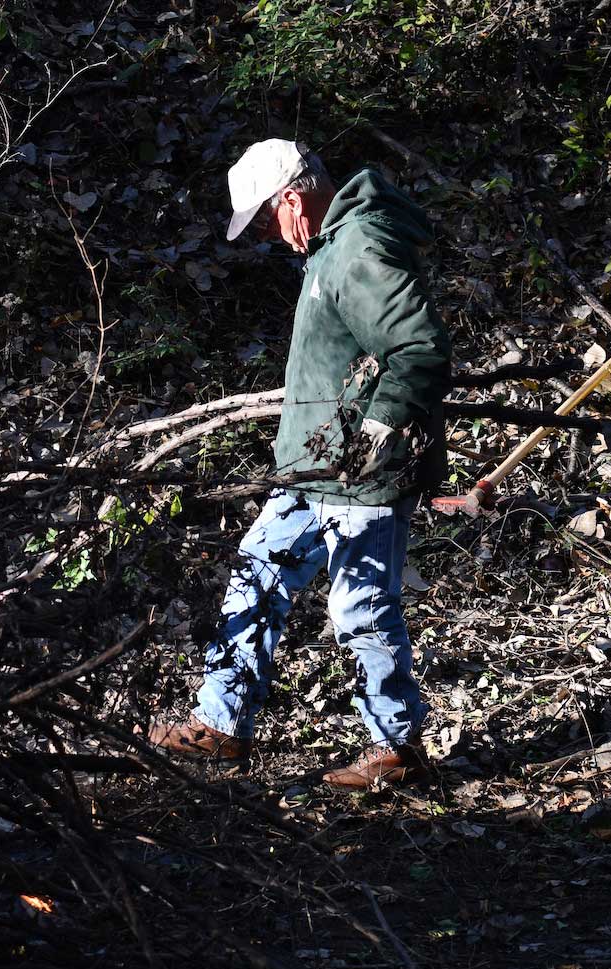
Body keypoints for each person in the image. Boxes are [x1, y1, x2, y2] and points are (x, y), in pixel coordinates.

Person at [149, 138, 452, 790]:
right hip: (312, 468)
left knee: (360, 610)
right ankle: (222, 725)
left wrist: (375, 433)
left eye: (265, 218)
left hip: (358, 475)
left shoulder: (357, 249)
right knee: (255, 573)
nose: (269, 234)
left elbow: (420, 348)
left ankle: (397, 748)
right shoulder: (331, 249)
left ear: (291, 196)